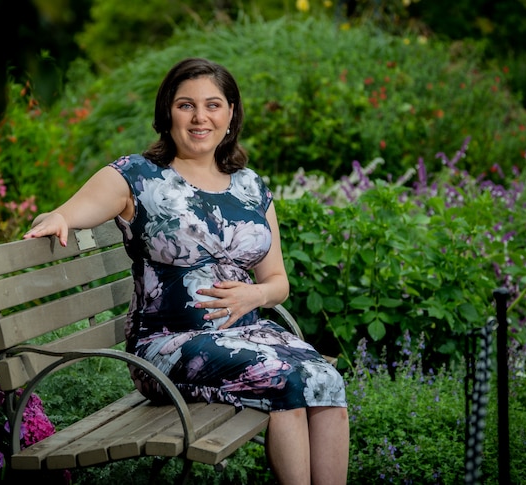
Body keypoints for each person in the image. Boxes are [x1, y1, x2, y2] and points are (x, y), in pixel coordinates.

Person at [24, 57, 349, 484]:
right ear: (167, 112)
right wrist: (59, 217)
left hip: (246, 337)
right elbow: (74, 210)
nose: (200, 117)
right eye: (186, 105)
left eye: (213, 105)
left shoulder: (251, 186)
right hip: (167, 348)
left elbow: (277, 282)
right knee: (284, 380)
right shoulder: (137, 176)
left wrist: (255, 296)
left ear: (231, 114)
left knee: (327, 379)